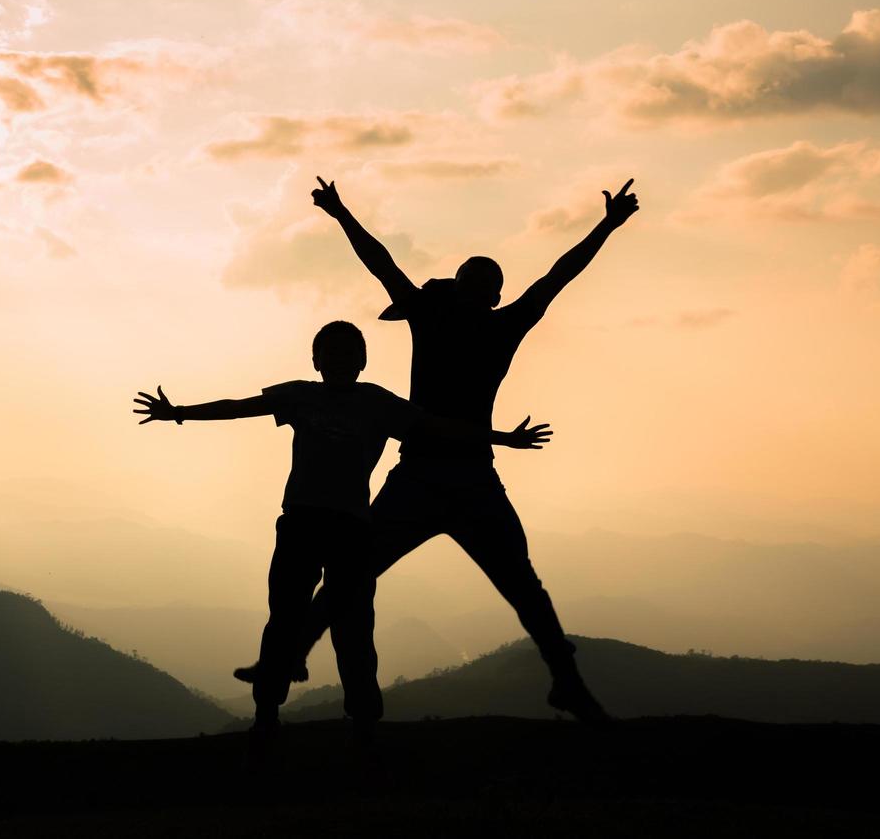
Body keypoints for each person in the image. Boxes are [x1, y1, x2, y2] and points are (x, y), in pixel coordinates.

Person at [235, 176, 639, 722]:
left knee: (365, 578)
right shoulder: (500, 324)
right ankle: (565, 680)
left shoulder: (436, 320)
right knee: (518, 584)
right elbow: (556, 277)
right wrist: (606, 227)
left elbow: (383, 264)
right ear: (492, 294)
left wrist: (339, 212)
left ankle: (287, 660)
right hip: (457, 476)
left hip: (432, 477)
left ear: (464, 289)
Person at [134, 320, 551, 737]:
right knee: (285, 619)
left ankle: (365, 719)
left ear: (363, 361)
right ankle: (266, 716)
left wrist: (501, 438)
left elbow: (439, 428)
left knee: (353, 626)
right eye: (329, 353)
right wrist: (179, 414)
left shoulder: (378, 403)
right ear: (315, 360)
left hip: (352, 531)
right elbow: (239, 406)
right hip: (300, 523)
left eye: (347, 353)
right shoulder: (299, 395)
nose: (338, 361)